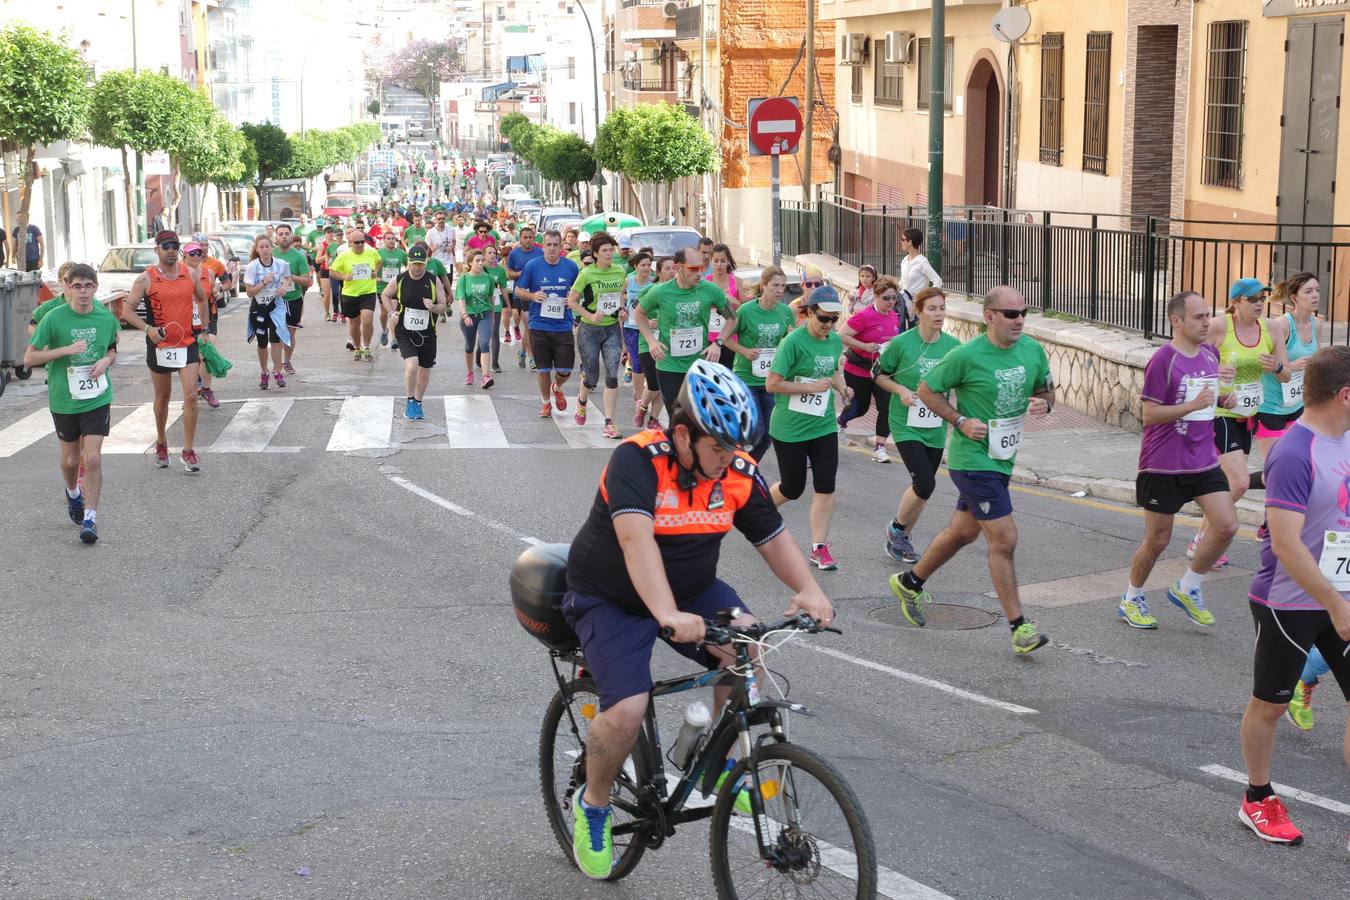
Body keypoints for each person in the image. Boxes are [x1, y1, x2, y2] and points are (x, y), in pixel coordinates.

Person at [561, 359, 834, 879]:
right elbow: (635, 542)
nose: (730, 459)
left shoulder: (736, 472)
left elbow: (772, 538)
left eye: (737, 448)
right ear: (683, 434)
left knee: (748, 646)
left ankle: (727, 762)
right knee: (627, 707)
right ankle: (593, 806)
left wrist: (808, 589)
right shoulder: (637, 460)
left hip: (692, 588)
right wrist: (665, 614)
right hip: (609, 597)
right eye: (719, 448)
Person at [888, 286, 1054, 653]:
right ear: (989, 316)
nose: (1019, 320)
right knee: (1004, 538)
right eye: (1010, 314)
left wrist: (1044, 405)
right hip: (973, 460)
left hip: (1002, 458)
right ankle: (1019, 627)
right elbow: (928, 390)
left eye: (1023, 312)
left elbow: (1046, 391)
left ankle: (910, 582)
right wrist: (960, 420)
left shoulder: (1033, 350)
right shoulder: (967, 355)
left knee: (962, 533)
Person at [1237, 345, 1350, 847]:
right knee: (1270, 705)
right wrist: (1334, 602)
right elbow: (1284, 543)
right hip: (1290, 602)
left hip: (1340, 595)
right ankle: (1257, 798)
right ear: (1345, 395)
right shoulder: (1292, 451)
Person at [1119, 291, 1240, 630]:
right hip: (1163, 463)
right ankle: (1132, 598)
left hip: (1203, 460)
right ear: (1177, 321)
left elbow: (1211, 399)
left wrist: (1225, 400)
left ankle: (1188, 586)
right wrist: (1192, 405)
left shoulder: (1210, 354)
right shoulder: (1163, 360)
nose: (1207, 322)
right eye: (1199, 317)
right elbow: (1149, 414)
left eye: (1208, 315)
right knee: (1158, 539)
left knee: (1227, 525)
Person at [23, 263, 117, 543]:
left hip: (98, 396)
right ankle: (73, 492)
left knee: (92, 457)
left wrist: (105, 361)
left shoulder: (105, 318)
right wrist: (64, 350)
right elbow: (29, 358)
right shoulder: (53, 318)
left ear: (95, 287)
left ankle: (90, 518)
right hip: (64, 398)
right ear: (68, 287)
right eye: (77, 286)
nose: (84, 292)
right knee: (70, 460)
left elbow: (112, 350)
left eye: (89, 286)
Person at [1196, 278, 1283, 566]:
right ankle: (1206, 540)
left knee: (1230, 484)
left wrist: (1278, 367)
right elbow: (1193, 360)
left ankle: (1201, 539)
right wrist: (1216, 369)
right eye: (1253, 299)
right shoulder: (1221, 326)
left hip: (1248, 416)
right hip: (1221, 413)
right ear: (1237, 302)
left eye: (1262, 298)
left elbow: (1284, 375)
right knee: (1239, 483)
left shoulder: (1271, 328)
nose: (1260, 304)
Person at [873, 287, 963, 568]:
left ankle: (901, 538)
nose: (939, 314)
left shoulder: (953, 347)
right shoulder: (901, 344)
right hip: (905, 423)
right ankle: (897, 528)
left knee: (922, 487)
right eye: (932, 309)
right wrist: (900, 389)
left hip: (935, 425)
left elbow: (962, 383)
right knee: (925, 482)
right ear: (918, 312)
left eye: (942, 308)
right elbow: (877, 374)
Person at [765, 286, 850, 570]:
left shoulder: (834, 341)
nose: (828, 325)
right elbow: (772, 383)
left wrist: (843, 388)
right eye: (823, 319)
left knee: (826, 485)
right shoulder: (793, 342)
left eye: (833, 320)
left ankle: (819, 548)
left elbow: (833, 370)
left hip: (823, 424)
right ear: (809, 313)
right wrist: (810, 387)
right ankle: (760, 511)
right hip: (790, 427)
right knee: (793, 487)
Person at [120, 231, 210, 472]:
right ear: (157, 249)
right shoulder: (145, 279)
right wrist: (148, 328)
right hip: (159, 345)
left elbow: (203, 299)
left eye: (174, 246)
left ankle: (188, 450)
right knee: (163, 397)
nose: (171, 249)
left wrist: (203, 328)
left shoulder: (189, 273)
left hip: (187, 342)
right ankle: (161, 441)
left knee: (191, 395)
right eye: (166, 246)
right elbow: (127, 312)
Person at [635, 246, 737, 415]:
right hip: (669, 366)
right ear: (678, 268)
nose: (699, 273)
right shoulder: (660, 291)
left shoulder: (710, 290)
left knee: (697, 416)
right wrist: (652, 341)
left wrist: (718, 343)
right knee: (677, 417)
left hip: (698, 365)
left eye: (702, 268)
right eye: (693, 269)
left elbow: (732, 318)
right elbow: (639, 313)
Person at [724, 264, 796, 463]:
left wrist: (790, 339)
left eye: (783, 286)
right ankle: (738, 467)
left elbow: (789, 345)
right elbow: (726, 338)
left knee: (767, 436)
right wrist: (744, 351)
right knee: (754, 431)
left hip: (772, 380)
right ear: (763, 286)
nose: (780, 290)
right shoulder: (747, 310)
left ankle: (744, 468)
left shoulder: (785, 312)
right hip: (746, 377)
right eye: (775, 285)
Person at [567, 231, 628, 438]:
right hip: (589, 330)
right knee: (591, 377)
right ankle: (582, 399)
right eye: (605, 250)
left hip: (612, 329)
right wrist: (588, 315)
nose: (610, 253)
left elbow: (620, 295)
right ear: (595, 254)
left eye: (611, 249)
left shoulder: (619, 271)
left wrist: (622, 308)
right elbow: (572, 301)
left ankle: (609, 423)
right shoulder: (586, 274)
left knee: (612, 375)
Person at [838, 275, 904, 463]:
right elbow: (841, 335)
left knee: (886, 406)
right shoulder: (864, 316)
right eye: (886, 298)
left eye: (894, 298)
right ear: (876, 296)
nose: (891, 302)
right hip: (858, 368)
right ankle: (841, 422)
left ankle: (880, 448)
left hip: (881, 370)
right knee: (861, 408)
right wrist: (865, 346)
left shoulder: (894, 316)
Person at [514, 230, 579, 416]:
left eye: (555, 245)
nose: (552, 248)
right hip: (538, 325)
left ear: (561, 247)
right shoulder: (532, 266)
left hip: (563, 325)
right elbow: (518, 290)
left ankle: (557, 386)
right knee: (543, 369)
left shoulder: (571, 267)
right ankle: (546, 403)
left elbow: (579, 291)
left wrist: (571, 299)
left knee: (565, 370)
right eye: (548, 245)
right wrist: (533, 296)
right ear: (542, 246)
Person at [1255, 273, 1320, 457]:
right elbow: (1263, 365)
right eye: (1308, 291)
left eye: (1317, 290)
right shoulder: (1281, 325)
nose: (1315, 295)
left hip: (1298, 406)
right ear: (1294, 298)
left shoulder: (1317, 324)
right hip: (1271, 406)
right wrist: (1292, 365)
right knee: (1273, 468)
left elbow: (1318, 362)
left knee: (1298, 462)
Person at [382, 246, 449, 420]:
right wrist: (391, 313)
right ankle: (410, 400)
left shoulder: (434, 281)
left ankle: (418, 402)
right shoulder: (400, 279)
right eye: (414, 264)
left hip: (427, 332)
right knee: (412, 365)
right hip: (405, 331)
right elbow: (385, 295)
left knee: (424, 371)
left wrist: (433, 307)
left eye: (421, 264)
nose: (417, 268)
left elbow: (444, 305)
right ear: (408, 263)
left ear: (426, 263)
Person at [244, 235, 294, 389]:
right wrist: (263, 282)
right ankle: (264, 372)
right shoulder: (252, 267)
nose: (265, 250)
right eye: (261, 247)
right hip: (259, 307)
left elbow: (289, 277)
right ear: (257, 249)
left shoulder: (281, 264)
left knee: (276, 338)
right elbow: (249, 293)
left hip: (276, 306)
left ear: (272, 248)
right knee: (262, 342)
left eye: (267, 246)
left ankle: (277, 371)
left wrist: (285, 285)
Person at [632, 255, 674, 430]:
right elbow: (635, 306)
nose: (672, 272)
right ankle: (642, 406)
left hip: (669, 344)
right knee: (653, 383)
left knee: (664, 386)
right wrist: (648, 322)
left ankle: (653, 419)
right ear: (659, 272)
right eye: (667, 269)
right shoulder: (652, 290)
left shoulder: (679, 293)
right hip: (648, 341)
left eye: (675, 269)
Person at [329, 228, 384, 361]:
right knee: (354, 324)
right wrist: (344, 276)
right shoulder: (344, 256)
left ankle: (366, 347)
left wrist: (375, 272)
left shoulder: (371, 251)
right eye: (357, 242)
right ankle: (358, 348)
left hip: (368, 291)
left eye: (362, 242)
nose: (360, 245)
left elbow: (380, 261)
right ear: (350, 243)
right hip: (350, 294)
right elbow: (332, 271)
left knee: (367, 319)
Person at [181, 240, 222, 408]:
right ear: (184, 255)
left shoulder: (209, 273)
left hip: (206, 319)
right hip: (186, 320)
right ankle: (191, 393)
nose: (197, 256)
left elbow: (214, 291)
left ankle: (206, 389)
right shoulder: (178, 272)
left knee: (206, 353)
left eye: (199, 253)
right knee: (191, 359)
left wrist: (217, 292)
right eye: (192, 253)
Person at [455, 248, 497, 388]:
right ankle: (470, 372)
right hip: (469, 316)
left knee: (485, 343)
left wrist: (492, 315)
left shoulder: (489, 278)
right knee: (469, 346)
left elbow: (491, 298)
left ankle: (486, 376)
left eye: (482, 260)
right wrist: (464, 315)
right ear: (470, 262)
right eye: (477, 261)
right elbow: (461, 299)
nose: (480, 263)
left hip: (484, 315)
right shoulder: (464, 279)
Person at [273, 224, 312, 375]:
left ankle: (286, 361)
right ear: (276, 237)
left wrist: (292, 277)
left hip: (293, 298)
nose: (283, 236)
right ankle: (277, 365)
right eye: (280, 234)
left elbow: (307, 280)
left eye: (286, 234)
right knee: (275, 333)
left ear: (291, 236)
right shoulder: (271, 253)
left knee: (289, 334)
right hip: (274, 299)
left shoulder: (298, 256)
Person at [506, 224, 544, 367]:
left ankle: (522, 351)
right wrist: (522, 274)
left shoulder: (540, 253)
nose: (528, 240)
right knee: (529, 327)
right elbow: (508, 273)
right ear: (520, 239)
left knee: (532, 327)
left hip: (538, 294)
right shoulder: (514, 253)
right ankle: (531, 357)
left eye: (530, 237)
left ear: (534, 238)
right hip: (521, 294)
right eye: (525, 237)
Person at [704, 243, 741, 368]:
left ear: (728, 262)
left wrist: (733, 300)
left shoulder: (736, 282)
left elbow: (745, 309)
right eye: (716, 260)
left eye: (723, 260)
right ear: (711, 262)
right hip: (709, 338)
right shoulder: (704, 282)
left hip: (731, 337)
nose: (719, 264)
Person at [899, 228, 942, 325]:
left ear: (909, 242)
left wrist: (924, 296)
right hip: (903, 306)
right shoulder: (905, 260)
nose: (900, 242)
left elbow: (937, 281)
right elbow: (902, 282)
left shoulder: (922, 262)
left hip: (917, 307)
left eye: (903, 239)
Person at [376, 231, 408, 349]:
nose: (391, 240)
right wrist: (376, 277)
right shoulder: (378, 253)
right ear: (384, 240)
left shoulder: (401, 254)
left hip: (395, 286)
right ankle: (384, 331)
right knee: (384, 312)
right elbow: (373, 268)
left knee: (393, 311)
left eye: (393, 238)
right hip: (382, 287)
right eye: (388, 238)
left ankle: (394, 339)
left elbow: (408, 266)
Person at [484, 243, 509, 373]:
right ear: (484, 255)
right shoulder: (480, 268)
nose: (492, 255)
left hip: (496, 303)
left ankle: (495, 363)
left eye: (494, 253)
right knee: (484, 333)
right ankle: (479, 353)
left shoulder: (500, 270)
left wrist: (508, 305)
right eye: (489, 252)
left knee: (494, 332)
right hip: (482, 304)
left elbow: (503, 288)